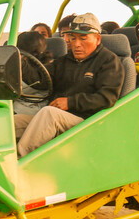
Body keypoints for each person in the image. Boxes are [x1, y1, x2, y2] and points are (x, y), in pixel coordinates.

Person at [16, 13, 124, 157]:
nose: (76, 44)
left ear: (97, 39)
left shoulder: (109, 61)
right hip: (58, 116)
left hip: (88, 120)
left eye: (83, 38)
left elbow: (106, 98)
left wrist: (70, 102)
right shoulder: (65, 61)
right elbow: (41, 81)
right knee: (10, 122)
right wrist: (20, 63)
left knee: (48, 113)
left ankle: (18, 163)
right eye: (73, 38)